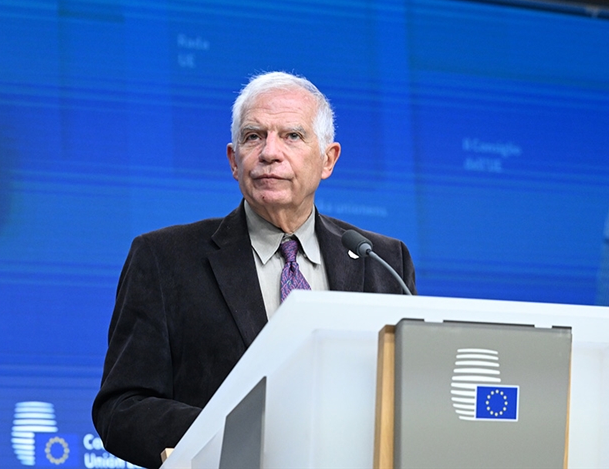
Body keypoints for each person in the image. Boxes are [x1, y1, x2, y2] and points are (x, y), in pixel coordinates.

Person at [92, 71, 416, 468]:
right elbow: (122, 407)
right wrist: (238, 434)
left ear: (328, 159)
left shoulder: (383, 260)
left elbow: (410, 399)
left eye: (292, 136)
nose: (269, 152)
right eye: (253, 136)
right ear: (234, 160)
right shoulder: (164, 258)